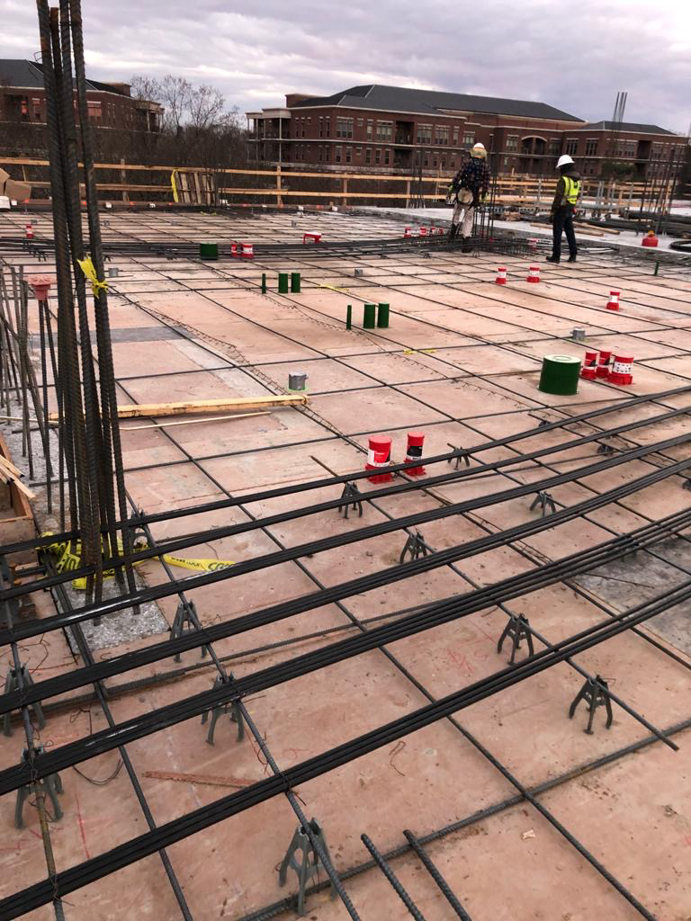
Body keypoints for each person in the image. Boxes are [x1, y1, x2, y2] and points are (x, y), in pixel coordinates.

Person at [447, 143, 490, 251]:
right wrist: (484, 195)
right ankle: (465, 243)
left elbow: (458, 175)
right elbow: (485, 183)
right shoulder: (485, 167)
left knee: (456, 213)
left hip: (462, 192)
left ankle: (451, 235)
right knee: (468, 219)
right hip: (472, 196)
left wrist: (452, 186)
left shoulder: (467, 162)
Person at [547, 154, 582, 264]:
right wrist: (572, 206)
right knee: (569, 231)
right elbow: (577, 195)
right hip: (570, 207)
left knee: (557, 232)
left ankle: (556, 256)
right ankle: (573, 255)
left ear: (564, 167)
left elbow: (558, 197)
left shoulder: (564, 179)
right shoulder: (577, 179)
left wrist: (553, 211)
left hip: (561, 208)